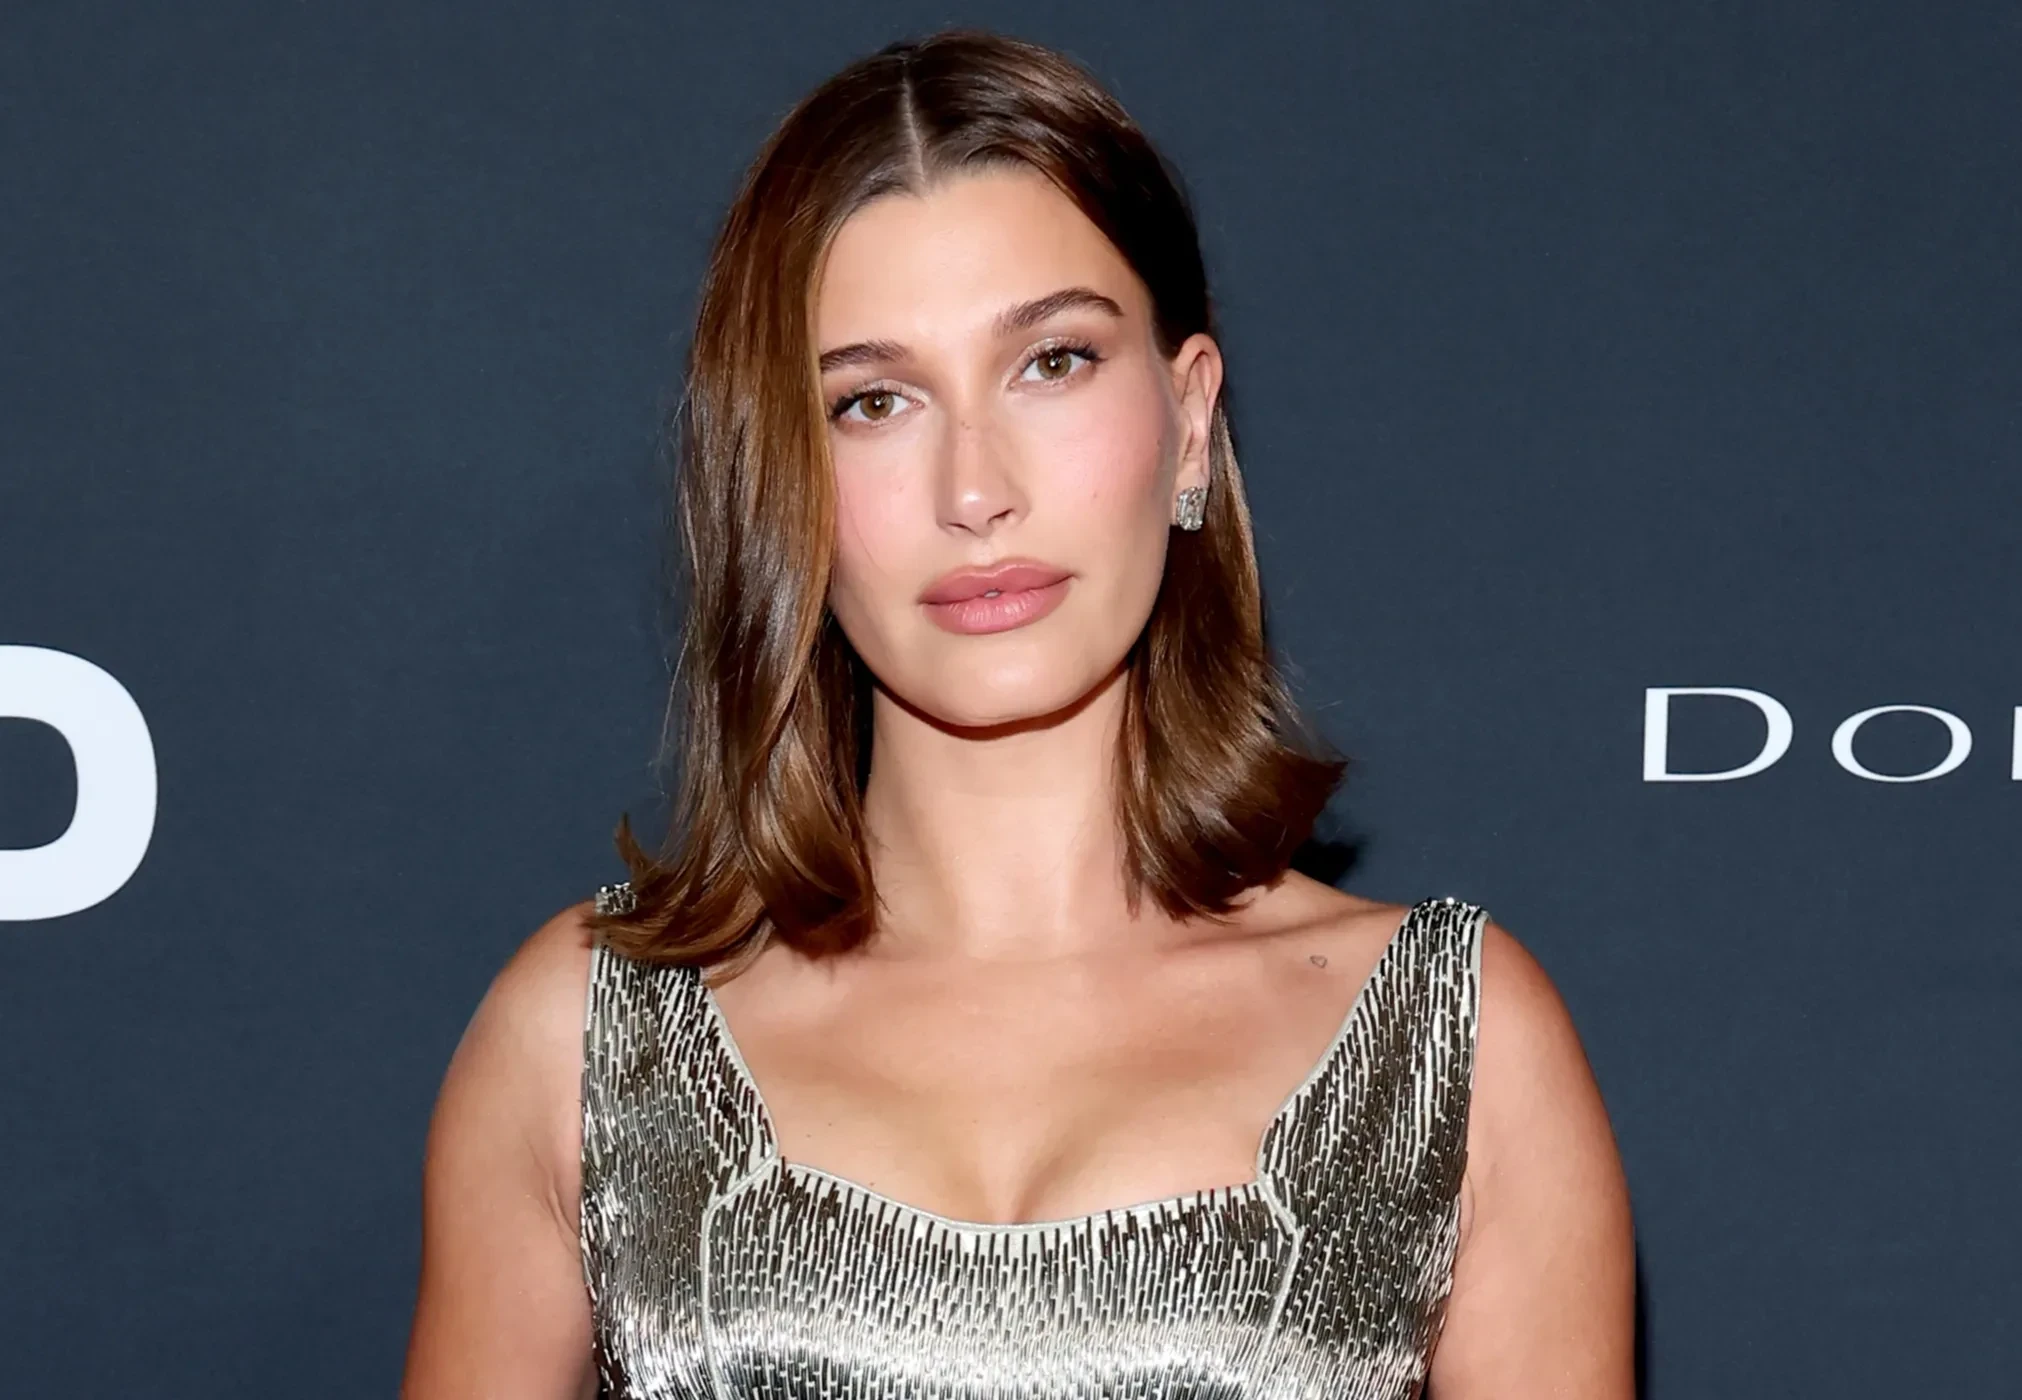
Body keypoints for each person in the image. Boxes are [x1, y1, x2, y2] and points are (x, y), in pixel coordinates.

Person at [401, 28, 1633, 1400]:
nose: (974, 490)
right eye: (873, 401)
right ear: (779, 480)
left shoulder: (1452, 1051)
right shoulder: (590, 1040)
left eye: (1051, 362)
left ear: (1188, 419)